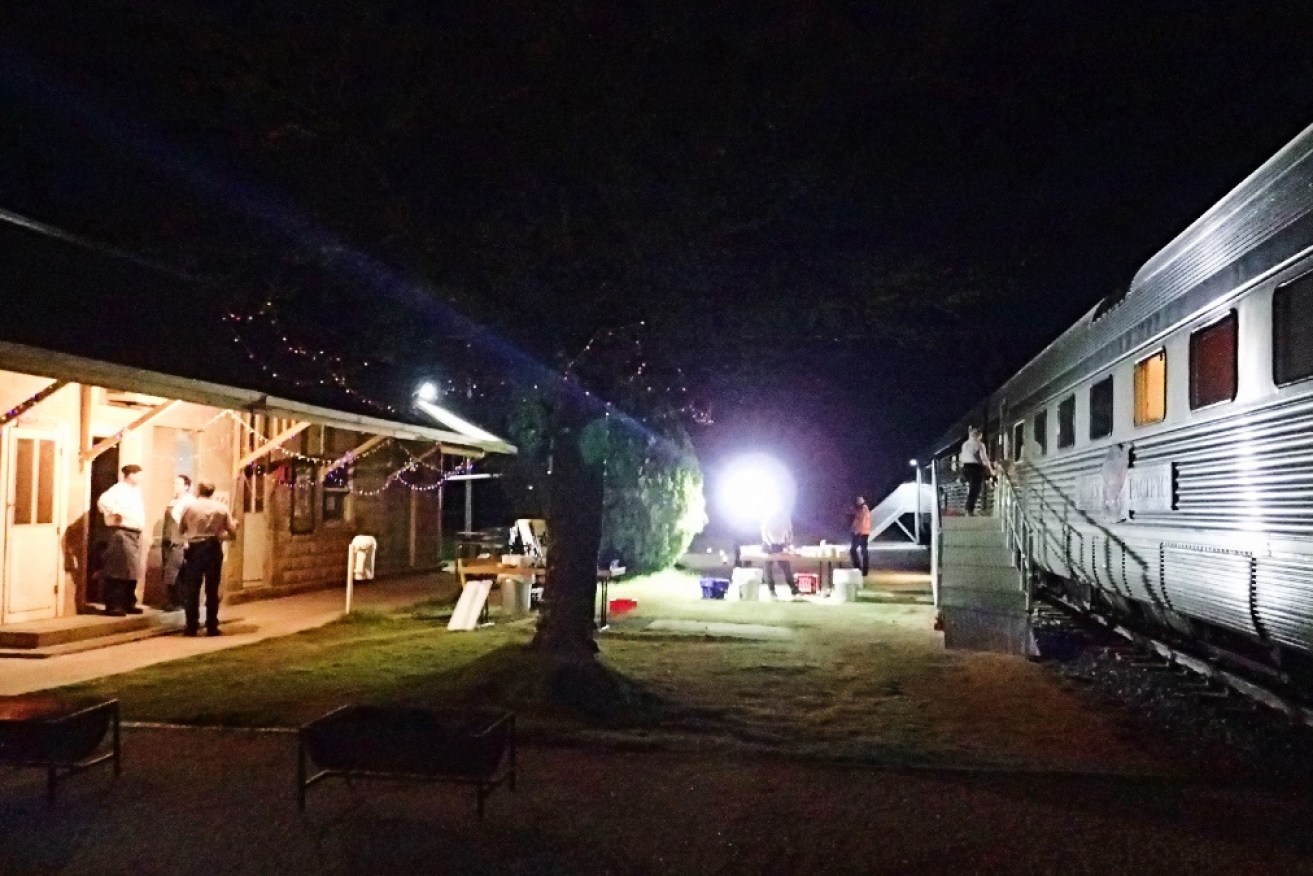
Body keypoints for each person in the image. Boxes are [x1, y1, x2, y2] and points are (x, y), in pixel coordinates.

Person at [178, 481, 238, 636]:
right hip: (213, 547)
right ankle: (211, 625)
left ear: (199, 491)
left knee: (192, 588)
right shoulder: (221, 508)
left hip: (195, 548)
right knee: (212, 588)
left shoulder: (190, 507)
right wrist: (221, 534)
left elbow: (181, 529)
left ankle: (191, 626)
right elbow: (232, 533)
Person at [97, 464, 147, 616]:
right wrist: (115, 512)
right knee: (118, 570)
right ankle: (114, 604)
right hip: (122, 533)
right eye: (138, 474)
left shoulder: (135, 491)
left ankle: (128, 602)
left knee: (131, 571)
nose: (140, 477)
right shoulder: (118, 489)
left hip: (134, 533)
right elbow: (103, 502)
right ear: (130, 475)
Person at [160, 474, 192, 612]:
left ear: (186, 486)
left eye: (178, 483)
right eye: (174, 483)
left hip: (179, 540)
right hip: (168, 539)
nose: (175, 486)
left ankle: (175, 601)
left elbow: (189, 523)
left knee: (174, 570)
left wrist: (186, 540)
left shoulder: (189, 501)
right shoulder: (173, 501)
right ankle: (176, 600)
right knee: (170, 570)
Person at [760, 506, 799, 599]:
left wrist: (789, 542)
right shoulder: (768, 515)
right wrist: (769, 544)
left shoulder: (785, 517)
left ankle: (794, 590)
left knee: (786, 567)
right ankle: (771, 590)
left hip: (780, 544)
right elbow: (764, 532)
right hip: (768, 545)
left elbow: (789, 531)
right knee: (768, 568)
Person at [959, 426, 994, 516]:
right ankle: (969, 510)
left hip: (965, 467)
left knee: (971, 489)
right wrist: (990, 470)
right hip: (975, 468)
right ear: (979, 435)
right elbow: (984, 459)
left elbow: (962, 458)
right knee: (975, 489)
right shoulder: (979, 444)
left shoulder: (965, 444)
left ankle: (968, 508)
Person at [850, 496, 871, 576]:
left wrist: (856, 531)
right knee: (859, 550)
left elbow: (862, 521)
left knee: (860, 551)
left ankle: (860, 569)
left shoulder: (863, 509)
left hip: (862, 533)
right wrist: (852, 528)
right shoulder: (860, 509)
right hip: (861, 532)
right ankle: (860, 569)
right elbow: (857, 520)